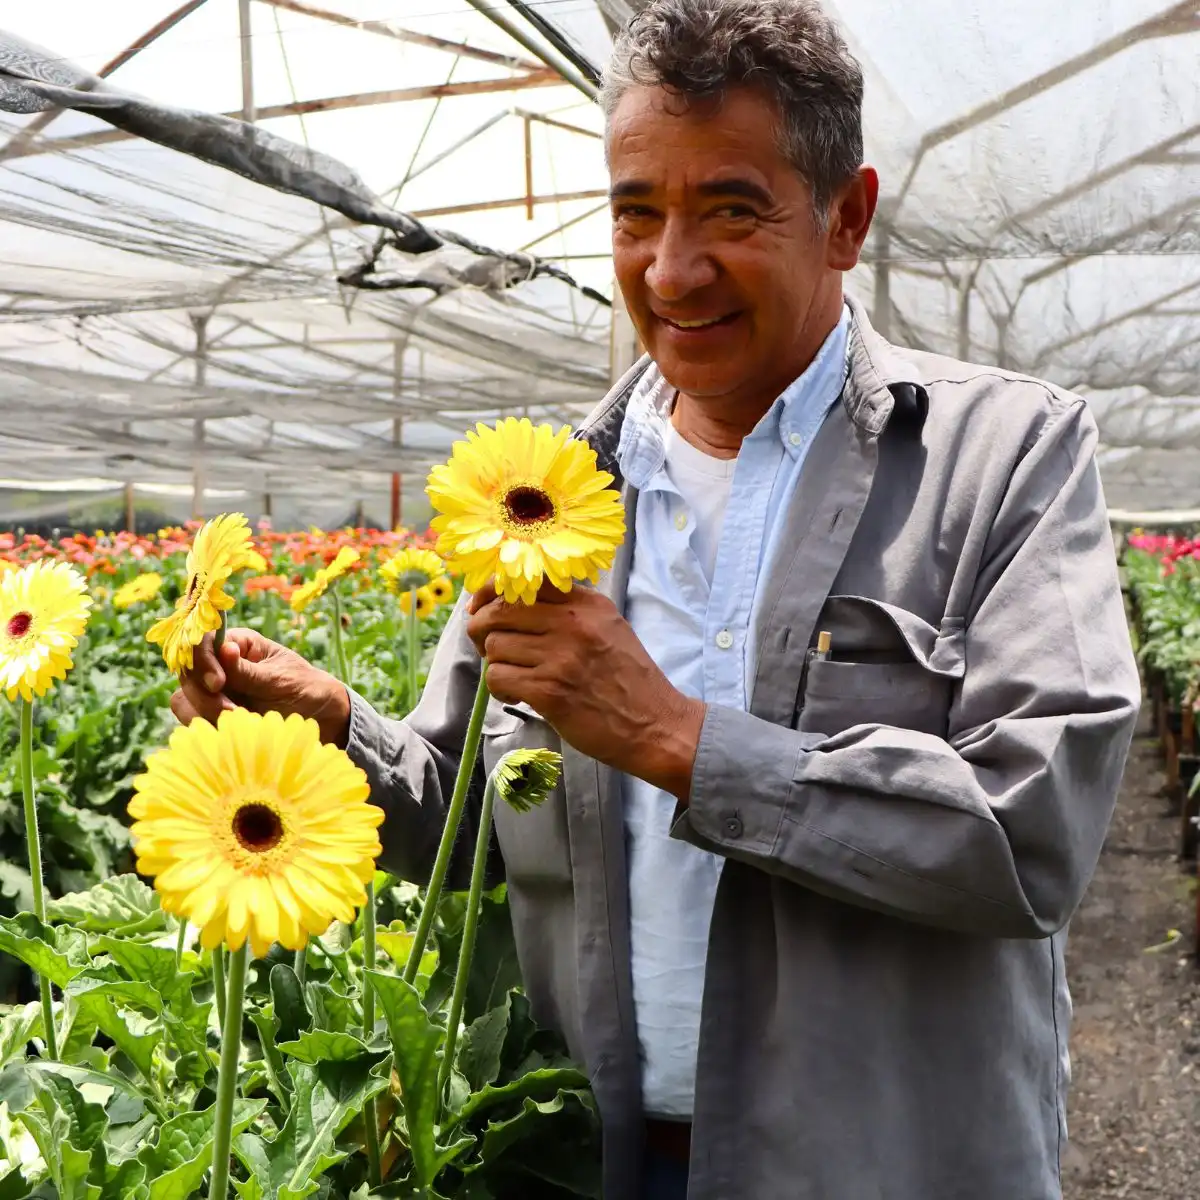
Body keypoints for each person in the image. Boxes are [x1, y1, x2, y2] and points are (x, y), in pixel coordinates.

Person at [173, 1, 1142, 1197]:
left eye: (732, 209)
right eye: (637, 213)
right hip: (598, 1159)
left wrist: (676, 741)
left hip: (887, 1166)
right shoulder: (550, 493)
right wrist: (324, 736)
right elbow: (483, 820)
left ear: (847, 217)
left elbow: (1028, 834)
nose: (671, 269)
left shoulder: (1002, 457)